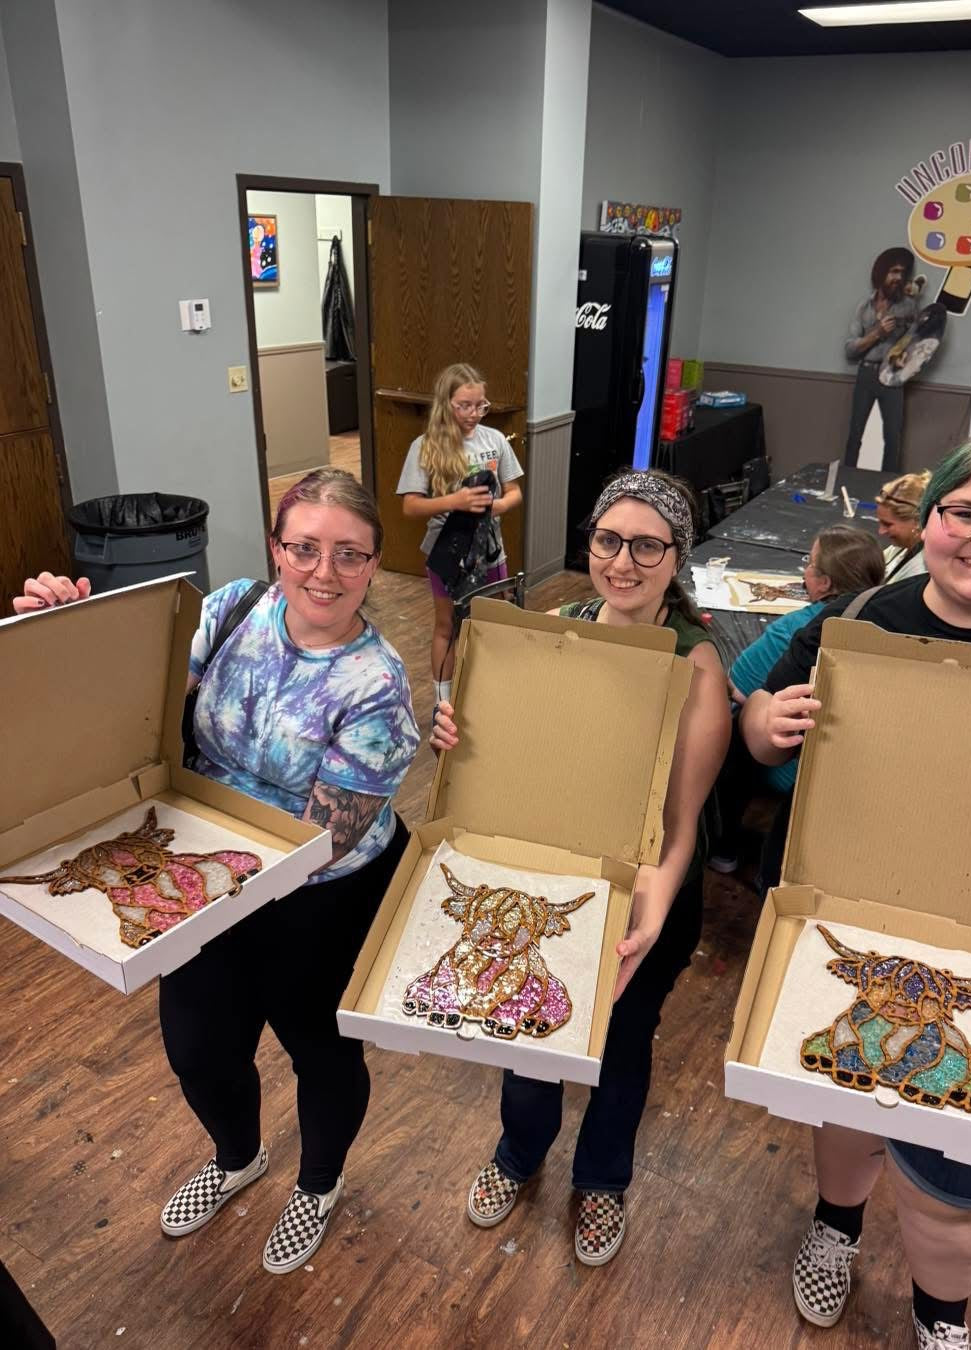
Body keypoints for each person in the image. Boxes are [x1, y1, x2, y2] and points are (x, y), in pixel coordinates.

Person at [14, 469, 420, 1276]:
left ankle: (318, 1181)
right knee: (198, 1047)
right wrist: (68, 633)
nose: (323, 572)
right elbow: (136, 707)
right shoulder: (234, 608)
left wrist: (178, 884)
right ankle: (238, 1157)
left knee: (320, 1050)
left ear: (374, 565)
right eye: (303, 548)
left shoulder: (376, 685)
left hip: (315, 898)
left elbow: (325, 839)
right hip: (198, 873)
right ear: (276, 547)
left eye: (349, 554)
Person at [739, 430, 971, 1348]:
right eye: (965, 512)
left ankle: (942, 1317)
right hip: (843, 927)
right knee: (851, 1091)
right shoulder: (857, 622)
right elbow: (759, 731)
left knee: (965, 1179)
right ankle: (837, 1225)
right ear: (930, 521)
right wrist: (768, 721)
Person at [432, 469, 730, 1266]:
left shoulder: (696, 662)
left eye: (646, 545)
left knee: (620, 1044)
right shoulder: (557, 626)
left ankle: (600, 1181)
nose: (622, 562)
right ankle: (518, 1153)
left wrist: (653, 909)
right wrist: (464, 735)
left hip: (645, 891)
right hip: (551, 878)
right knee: (527, 1028)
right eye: (608, 539)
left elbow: (681, 823)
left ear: (677, 555)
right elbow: (517, 758)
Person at [708, 525, 885, 876]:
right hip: (858, 767)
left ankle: (720, 845)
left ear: (825, 584)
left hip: (793, 766)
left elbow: (737, 689)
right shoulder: (886, 622)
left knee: (732, 721)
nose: (804, 570)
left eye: (810, 562)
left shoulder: (799, 628)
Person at [397, 363, 524, 710]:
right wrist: (455, 501)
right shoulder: (425, 447)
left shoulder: (494, 440)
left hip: (490, 551)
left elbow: (515, 492)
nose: (473, 414)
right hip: (448, 553)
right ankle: (443, 701)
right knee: (447, 626)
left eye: (480, 405)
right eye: (464, 405)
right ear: (445, 404)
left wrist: (498, 506)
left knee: (494, 621)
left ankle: (490, 692)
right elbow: (410, 507)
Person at [843, 247, 918, 471]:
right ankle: (847, 483)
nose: (898, 278)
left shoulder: (909, 306)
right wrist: (877, 333)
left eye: (902, 273)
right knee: (856, 434)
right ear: (881, 273)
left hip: (893, 376)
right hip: (866, 373)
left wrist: (906, 357)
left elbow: (917, 342)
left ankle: (887, 492)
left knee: (893, 438)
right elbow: (849, 349)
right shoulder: (863, 307)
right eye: (893, 271)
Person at [877, 470, 931, 582]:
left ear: (917, 521)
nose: (881, 531)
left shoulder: (918, 573)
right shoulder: (903, 544)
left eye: (887, 524)